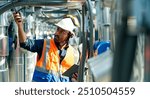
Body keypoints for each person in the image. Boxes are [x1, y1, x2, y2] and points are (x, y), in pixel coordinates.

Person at [13, 12, 80, 82]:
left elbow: (71, 79)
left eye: (62, 31)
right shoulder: (44, 44)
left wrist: (74, 79)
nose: (56, 33)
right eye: (57, 29)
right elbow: (25, 43)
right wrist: (20, 25)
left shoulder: (74, 54)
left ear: (69, 35)